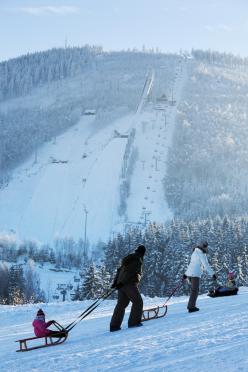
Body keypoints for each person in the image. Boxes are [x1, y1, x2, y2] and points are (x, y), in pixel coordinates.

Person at [109, 245, 146, 332]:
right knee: (138, 302)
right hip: (128, 284)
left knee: (121, 305)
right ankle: (134, 322)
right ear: (143, 253)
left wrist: (116, 283)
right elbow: (130, 272)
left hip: (121, 285)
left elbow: (119, 270)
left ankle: (114, 326)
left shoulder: (129, 259)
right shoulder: (137, 259)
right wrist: (122, 283)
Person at [183, 241, 216, 313]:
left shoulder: (195, 252)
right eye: (206, 246)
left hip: (190, 274)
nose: (207, 248)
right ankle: (191, 307)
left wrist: (185, 274)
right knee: (195, 290)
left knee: (194, 290)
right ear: (203, 246)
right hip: (195, 275)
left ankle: (191, 306)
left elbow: (191, 265)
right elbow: (206, 265)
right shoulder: (201, 254)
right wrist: (212, 274)